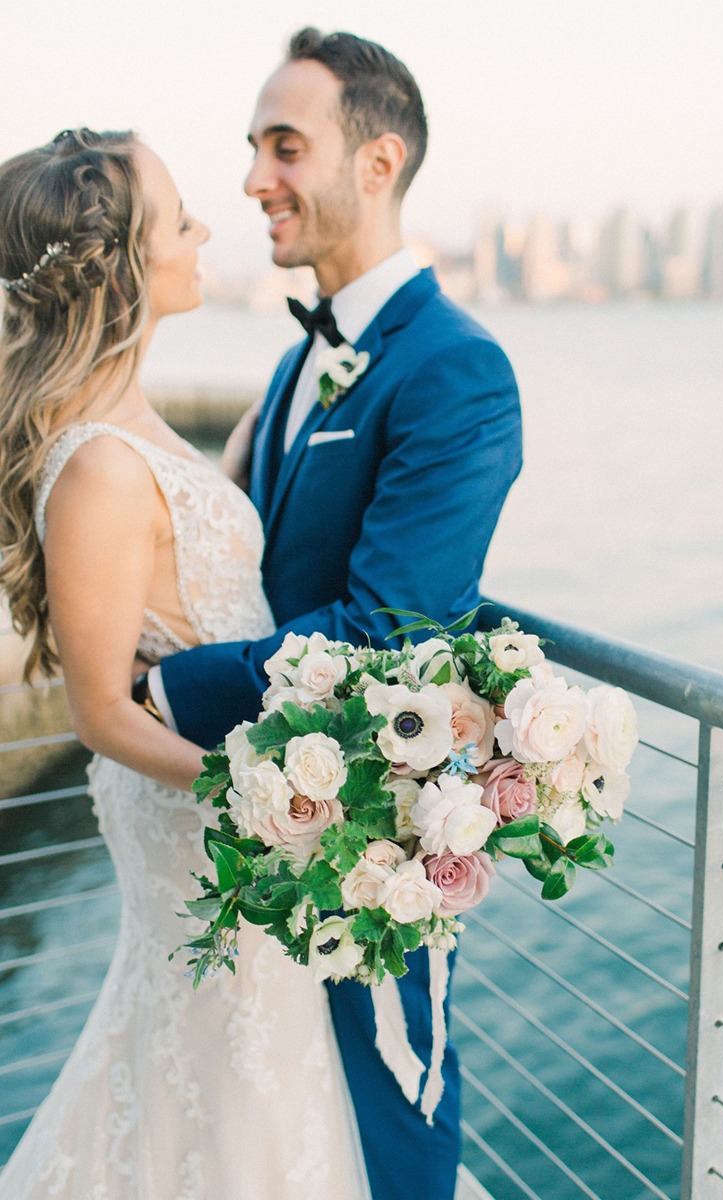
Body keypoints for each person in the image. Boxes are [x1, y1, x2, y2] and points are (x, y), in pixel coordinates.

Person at [148, 27, 523, 1200]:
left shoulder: (456, 368)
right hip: (269, 812)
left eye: (284, 146)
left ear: (377, 162)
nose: (256, 179)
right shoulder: (298, 361)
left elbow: (392, 637)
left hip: (371, 836)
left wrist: (158, 686)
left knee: (389, 1119)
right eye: (255, 148)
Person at [0, 128, 369, 1198]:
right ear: (122, 269)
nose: (207, 229)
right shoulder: (99, 470)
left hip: (223, 806)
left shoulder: (125, 420)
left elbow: (190, 556)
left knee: (230, 1075)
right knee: (233, 1077)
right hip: (201, 815)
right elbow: (100, 714)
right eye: (180, 220)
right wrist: (262, 801)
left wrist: (273, 429)